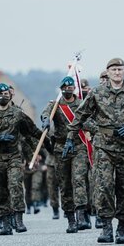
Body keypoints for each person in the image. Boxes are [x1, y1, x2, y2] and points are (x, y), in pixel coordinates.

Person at [63, 58, 124, 244]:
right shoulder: (97, 92)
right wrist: (70, 139)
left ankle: (122, 228)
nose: (117, 73)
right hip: (103, 146)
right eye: (114, 70)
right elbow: (81, 115)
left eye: (120, 69)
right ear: (108, 72)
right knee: (103, 186)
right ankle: (106, 227)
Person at [0, 83, 50, 235]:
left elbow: (31, 130)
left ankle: (18, 219)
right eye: (1, 94)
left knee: (15, 184)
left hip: (13, 156)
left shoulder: (17, 113)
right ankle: (5, 223)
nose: (4, 96)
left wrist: (46, 137)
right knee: (0, 191)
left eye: (6, 93)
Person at [41, 76, 91, 233]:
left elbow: (89, 120)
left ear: (74, 89)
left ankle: (81, 215)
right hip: (61, 148)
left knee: (79, 179)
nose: (68, 90)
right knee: (64, 184)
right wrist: (45, 121)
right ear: (61, 89)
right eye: (65, 87)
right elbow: (45, 114)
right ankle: (70, 218)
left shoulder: (81, 104)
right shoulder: (55, 104)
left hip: (78, 145)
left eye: (70, 87)